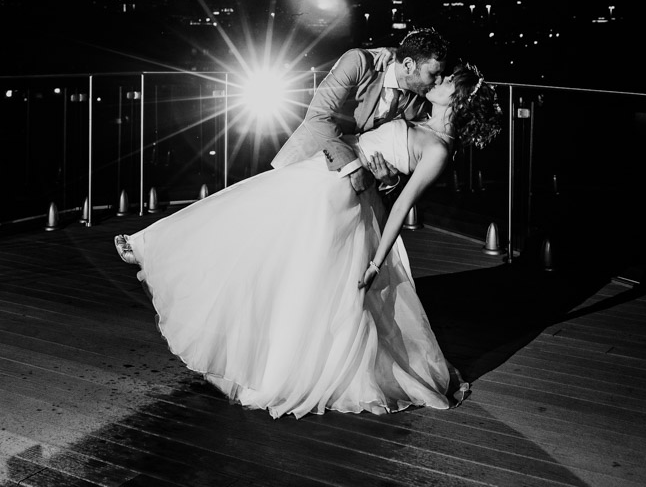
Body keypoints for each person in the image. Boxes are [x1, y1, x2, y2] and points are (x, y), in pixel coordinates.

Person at [114, 57, 502, 420]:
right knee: (250, 223)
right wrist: (368, 164)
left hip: (340, 197)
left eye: (448, 81)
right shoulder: (415, 110)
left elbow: (401, 208)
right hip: (326, 172)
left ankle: (278, 366)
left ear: (461, 98)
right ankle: (154, 247)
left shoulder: (437, 148)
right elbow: (345, 128)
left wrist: (374, 263)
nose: (440, 80)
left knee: (296, 269)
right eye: (440, 74)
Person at [271, 27, 450, 196]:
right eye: (434, 74)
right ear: (408, 66)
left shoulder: (418, 104)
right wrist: (352, 167)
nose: (439, 80)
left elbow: (407, 160)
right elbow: (318, 116)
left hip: (354, 191)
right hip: (307, 162)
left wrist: (390, 180)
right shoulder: (359, 62)